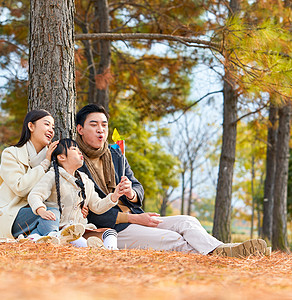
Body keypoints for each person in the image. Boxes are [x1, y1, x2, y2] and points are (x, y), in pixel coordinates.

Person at [75, 104, 268, 257]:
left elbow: (138, 187)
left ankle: (225, 250)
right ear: (80, 129)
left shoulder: (116, 155)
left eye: (104, 125)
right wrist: (134, 218)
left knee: (187, 221)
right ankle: (228, 254)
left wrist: (131, 194)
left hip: (137, 217)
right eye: (94, 125)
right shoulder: (74, 161)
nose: (101, 130)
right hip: (112, 229)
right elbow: (89, 213)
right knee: (172, 239)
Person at [0, 110, 82, 243]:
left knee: (51, 213)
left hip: (37, 214)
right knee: (52, 212)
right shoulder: (11, 154)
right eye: (46, 124)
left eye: (53, 127)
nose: (51, 130)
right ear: (31, 126)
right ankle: (55, 238)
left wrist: (81, 204)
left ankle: (35, 238)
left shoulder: (54, 159)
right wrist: (44, 164)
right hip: (10, 215)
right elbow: (19, 187)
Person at [27, 138, 121, 249]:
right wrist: (41, 210)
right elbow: (35, 195)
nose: (79, 152)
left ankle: (111, 251)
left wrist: (115, 196)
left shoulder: (86, 181)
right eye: (74, 149)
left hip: (82, 229)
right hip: (62, 230)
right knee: (75, 239)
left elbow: (97, 206)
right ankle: (97, 250)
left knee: (110, 233)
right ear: (61, 157)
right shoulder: (52, 176)